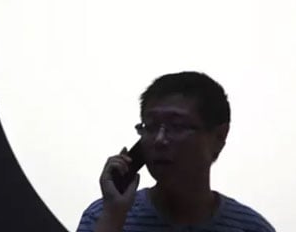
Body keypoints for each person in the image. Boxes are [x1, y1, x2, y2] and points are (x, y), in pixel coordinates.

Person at [76, 71, 276, 232]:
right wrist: (113, 217)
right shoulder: (103, 216)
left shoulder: (251, 227)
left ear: (218, 137)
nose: (159, 140)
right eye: (151, 126)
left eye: (177, 126)